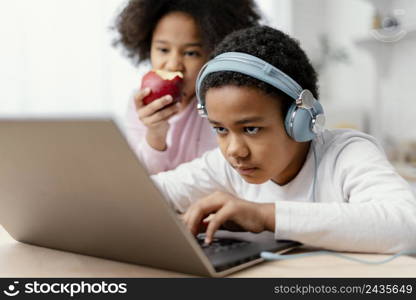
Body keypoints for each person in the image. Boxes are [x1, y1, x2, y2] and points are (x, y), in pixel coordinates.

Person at [151, 25, 416, 253]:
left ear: (299, 120)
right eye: (220, 129)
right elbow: (146, 195)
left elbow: (407, 225)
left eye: (251, 129)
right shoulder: (223, 166)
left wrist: (264, 215)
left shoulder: (347, 154)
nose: (234, 150)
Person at [113, 0, 261, 174]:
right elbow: (142, 181)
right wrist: (155, 134)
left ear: (213, 53)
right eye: (163, 50)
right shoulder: (139, 103)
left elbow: (218, 176)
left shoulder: (220, 107)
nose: (173, 65)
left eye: (190, 53)